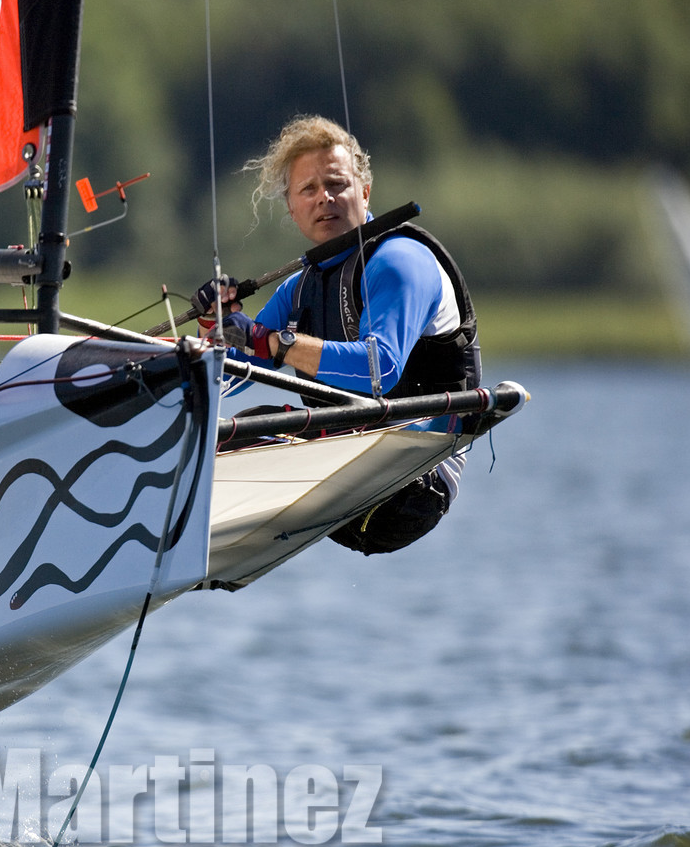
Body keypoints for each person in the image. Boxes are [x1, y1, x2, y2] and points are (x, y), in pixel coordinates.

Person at [196, 115, 480, 555]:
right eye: (307, 189)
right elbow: (233, 372)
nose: (324, 198)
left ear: (364, 191)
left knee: (254, 432)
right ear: (291, 207)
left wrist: (273, 342)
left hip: (411, 485)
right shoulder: (301, 287)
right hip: (342, 463)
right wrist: (219, 331)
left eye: (336, 184)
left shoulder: (401, 262)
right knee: (215, 437)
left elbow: (377, 371)